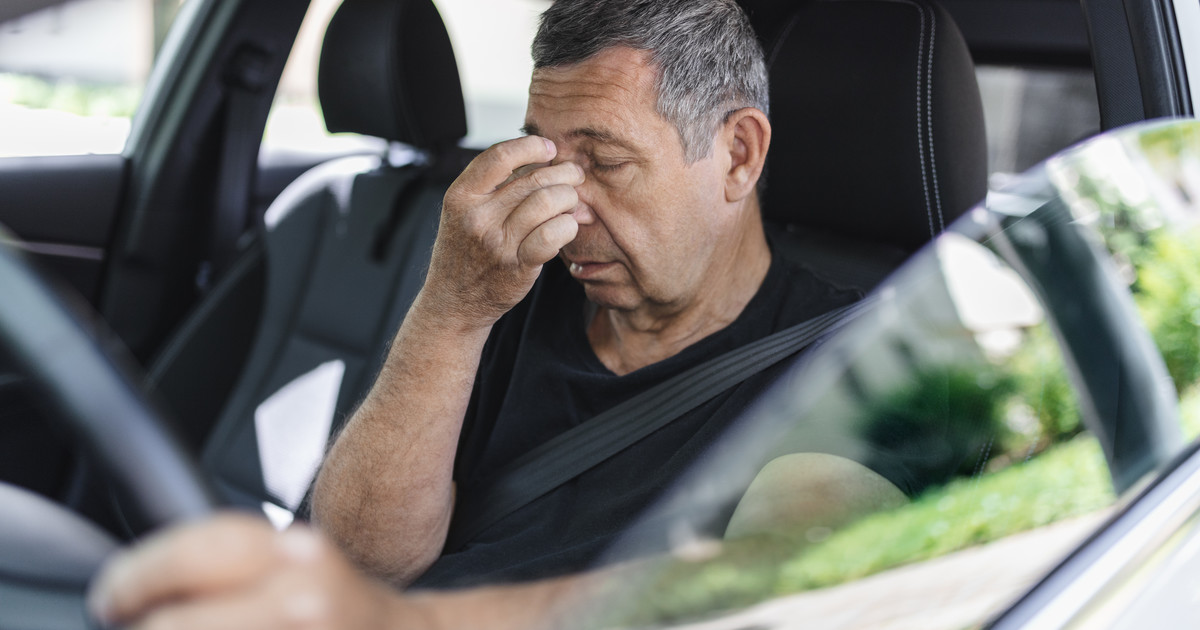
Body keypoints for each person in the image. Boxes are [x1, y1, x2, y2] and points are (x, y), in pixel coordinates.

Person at [88, 1, 907, 627]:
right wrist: (452, 308)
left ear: (737, 155)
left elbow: (778, 582)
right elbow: (356, 559)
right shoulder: (507, 286)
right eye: (544, 158)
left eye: (606, 162)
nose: (562, 213)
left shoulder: (861, 358)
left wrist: (407, 622)